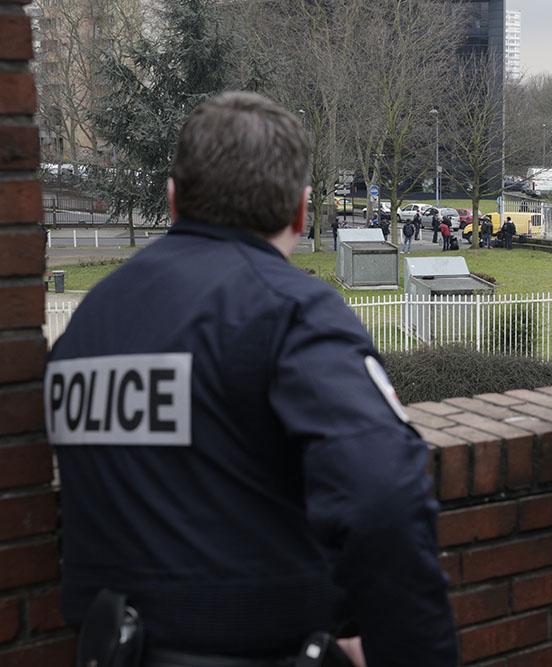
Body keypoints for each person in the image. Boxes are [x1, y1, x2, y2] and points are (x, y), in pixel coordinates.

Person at [44, 92, 458, 667]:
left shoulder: (88, 325)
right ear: (300, 211)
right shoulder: (291, 310)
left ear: (172, 201)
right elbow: (386, 495)